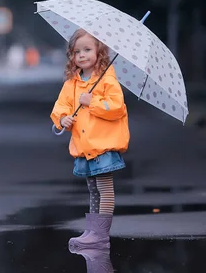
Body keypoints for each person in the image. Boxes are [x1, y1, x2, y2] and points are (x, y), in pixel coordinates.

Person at [50, 28, 130, 251]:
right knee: (93, 190)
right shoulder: (72, 84)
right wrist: (63, 119)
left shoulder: (107, 80)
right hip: (85, 148)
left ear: (99, 52)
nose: (82, 55)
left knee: (105, 189)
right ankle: (92, 230)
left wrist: (91, 102)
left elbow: (116, 108)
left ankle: (101, 234)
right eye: (77, 52)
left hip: (103, 147)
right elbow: (61, 106)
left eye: (87, 49)